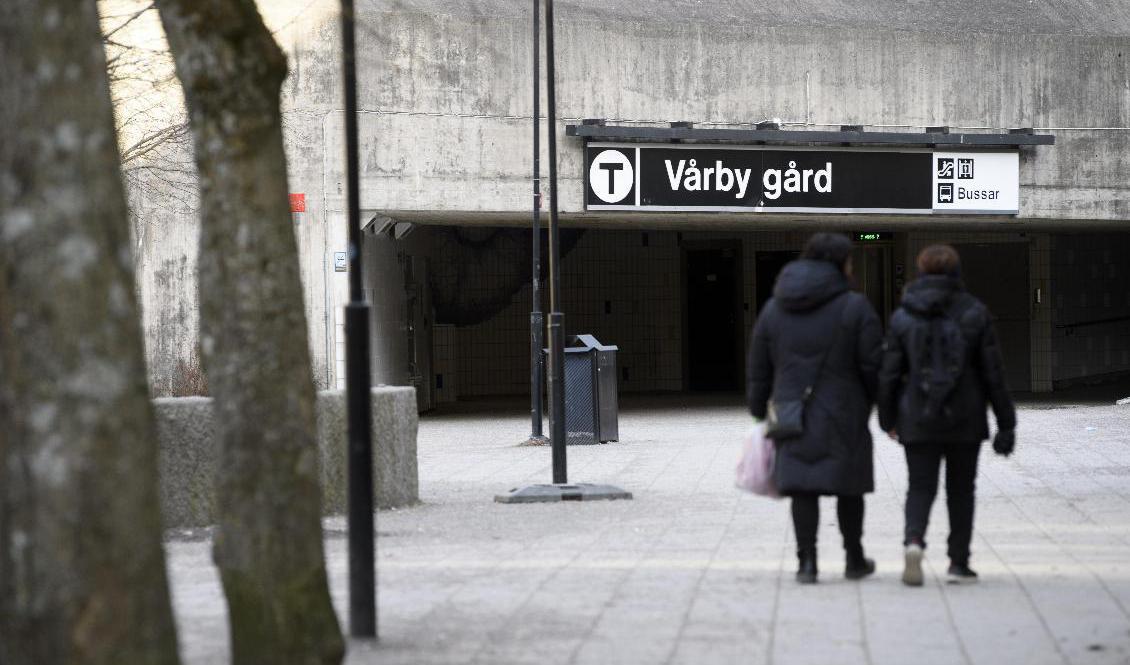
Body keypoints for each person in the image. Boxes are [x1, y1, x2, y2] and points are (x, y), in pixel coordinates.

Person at [747, 233, 883, 584]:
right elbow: (873, 365)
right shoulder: (855, 307)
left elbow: (759, 362)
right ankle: (854, 558)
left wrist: (759, 407)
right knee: (848, 486)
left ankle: (806, 562)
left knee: (803, 487)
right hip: (845, 412)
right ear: (841, 265)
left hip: (792, 412)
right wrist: (880, 405)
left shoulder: (776, 307)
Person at [878, 244, 1017, 586]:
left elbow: (889, 374)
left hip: (918, 416)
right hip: (965, 417)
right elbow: (993, 374)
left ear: (921, 272)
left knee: (920, 486)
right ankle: (958, 562)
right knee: (961, 490)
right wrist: (1006, 423)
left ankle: (913, 541)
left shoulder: (904, 315)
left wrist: (888, 419)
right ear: (956, 273)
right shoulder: (975, 312)